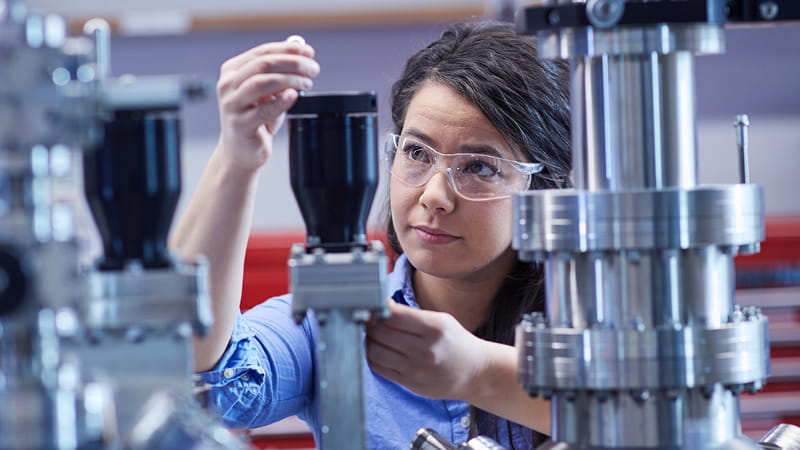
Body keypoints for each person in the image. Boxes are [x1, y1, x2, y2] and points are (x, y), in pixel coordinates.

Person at [170, 20, 571, 449]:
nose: (434, 196)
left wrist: (479, 372)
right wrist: (236, 158)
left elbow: (626, 408)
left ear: (545, 188)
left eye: (479, 167)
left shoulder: (585, 320)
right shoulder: (336, 323)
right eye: (416, 153)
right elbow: (201, 377)